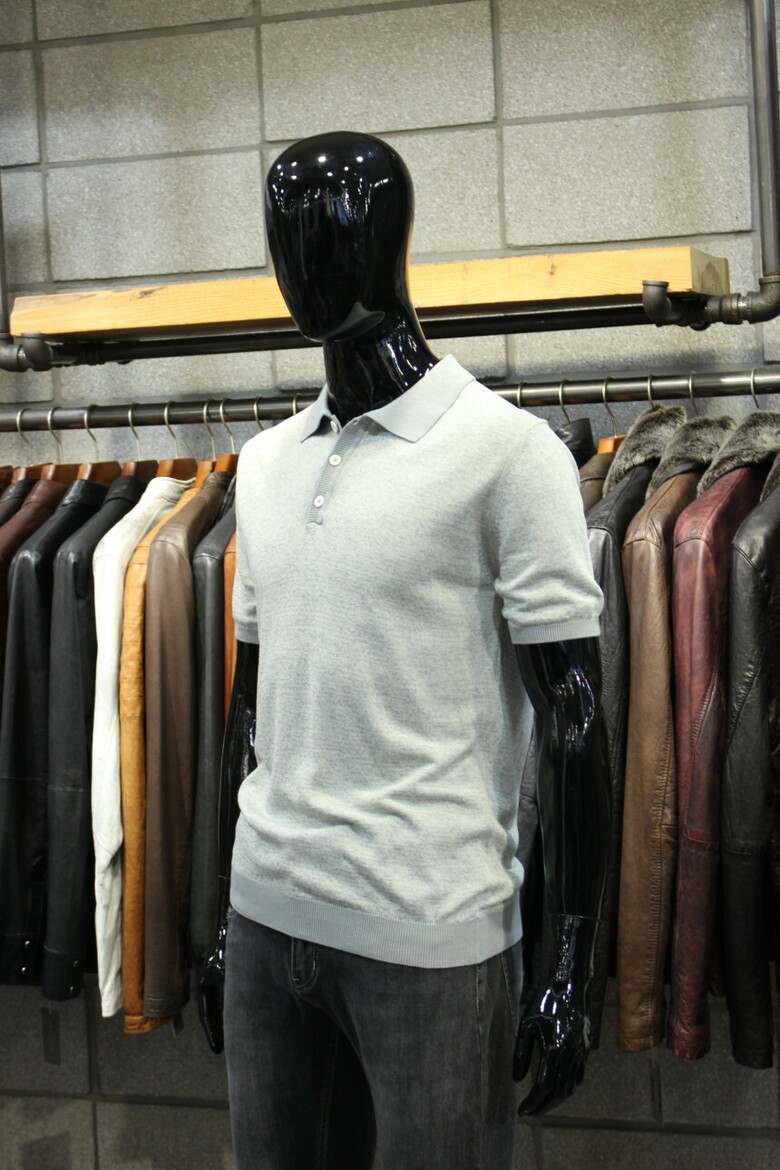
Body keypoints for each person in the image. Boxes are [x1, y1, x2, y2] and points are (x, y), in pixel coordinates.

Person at [199, 130, 611, 1170]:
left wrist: (574, 956)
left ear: (393, 242)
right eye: (285, 233)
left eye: (333, 227)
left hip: (432, 942)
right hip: (265, 921)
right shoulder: (263, 465)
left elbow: (575, 716)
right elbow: (249, 707)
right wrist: (219, 912)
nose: (304, 258)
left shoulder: (507, 454)